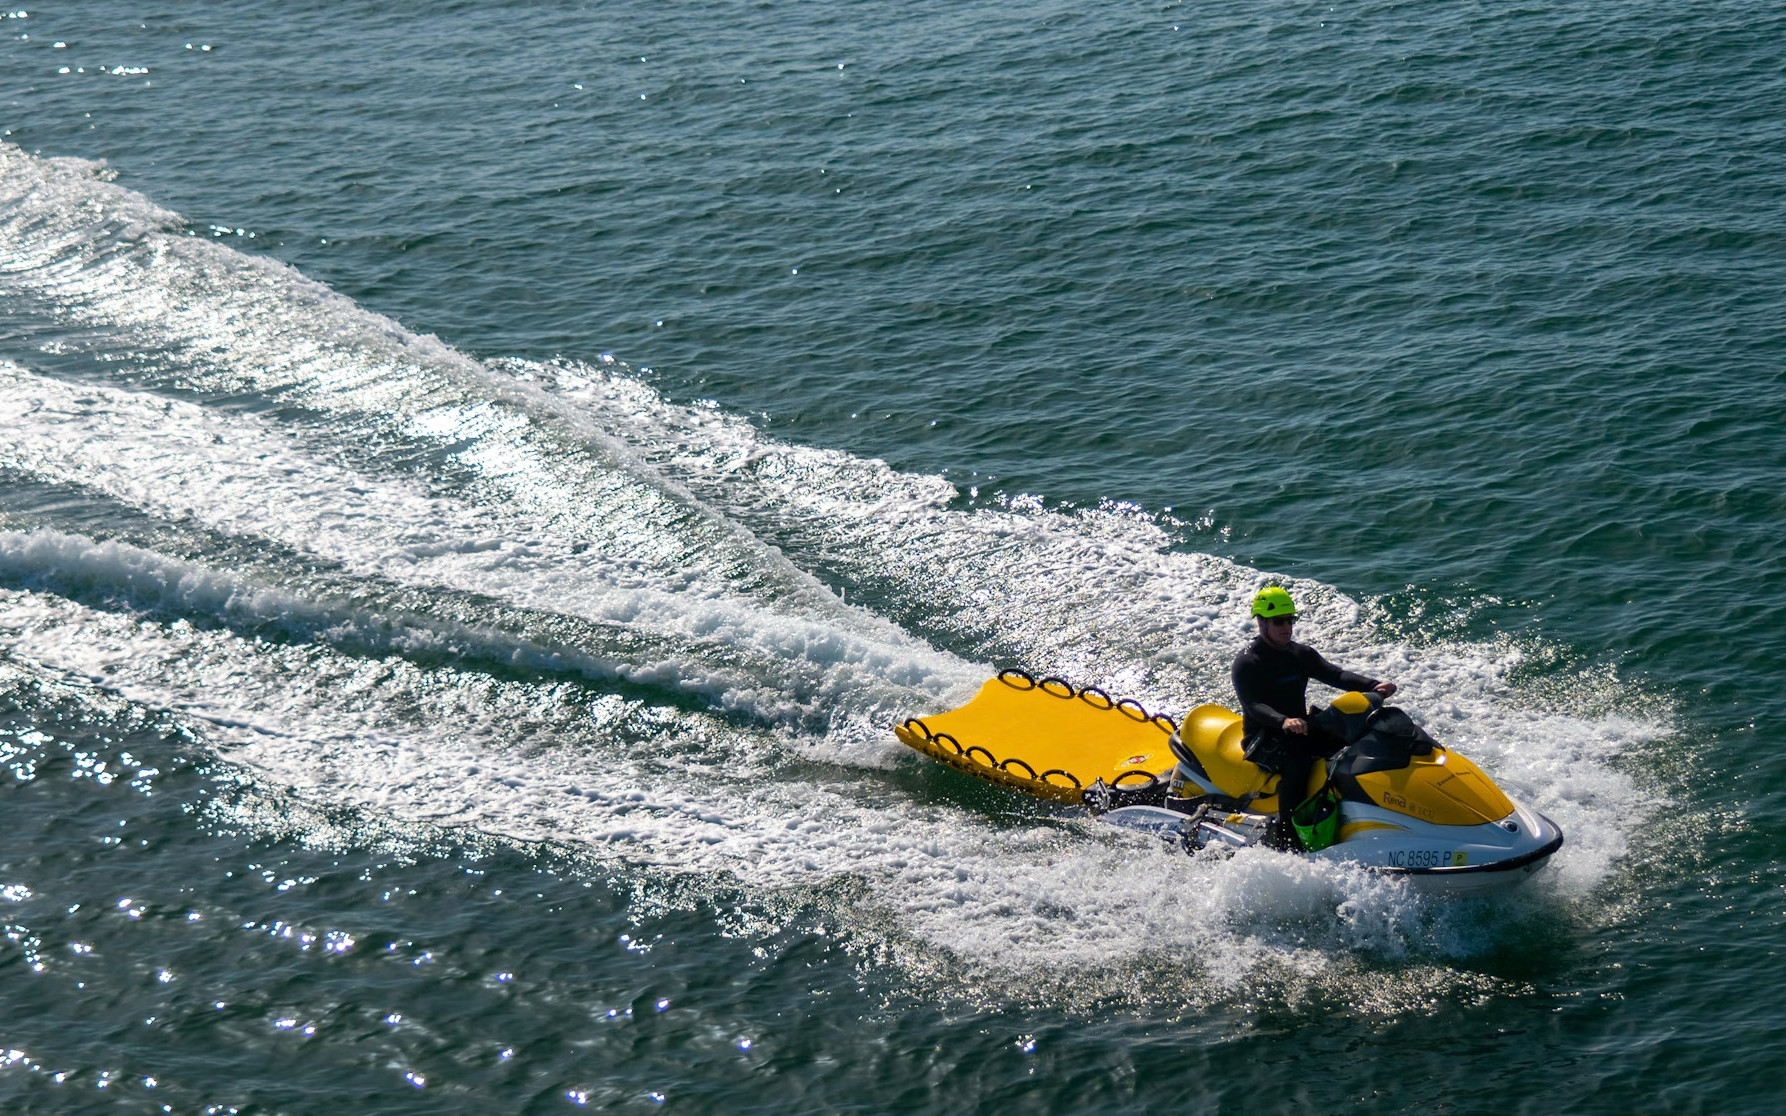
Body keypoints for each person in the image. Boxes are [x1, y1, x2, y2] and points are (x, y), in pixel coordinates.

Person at [1232, 586, 1396, 849]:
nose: (1287, 627)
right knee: (1299, 760)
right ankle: (1287, 836)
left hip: (1300, 728)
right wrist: (1283, 721)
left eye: (1290, 620)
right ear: (1261, 622)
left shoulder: (1299, 654)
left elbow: (1336, 675)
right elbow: (1254, 706)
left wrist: (1373, 685)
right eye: (1279, 622)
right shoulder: (1248, 662)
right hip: (1265, 736)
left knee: (1352, 739)